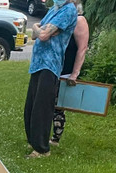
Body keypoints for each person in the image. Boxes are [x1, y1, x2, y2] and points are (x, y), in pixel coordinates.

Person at [23, 0, 78, 159]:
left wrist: (40, 29)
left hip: (51, 64)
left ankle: (41, 149)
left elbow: (44, 35)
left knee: (42, 107)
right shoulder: (54, 10)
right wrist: (37, 29)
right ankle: (33, 140)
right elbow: (35, 34)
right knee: (31, 105)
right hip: (38, 64)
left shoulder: (68, 11)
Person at [51, 1, 90, 146]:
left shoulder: (79, 20)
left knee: (58, 105)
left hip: (66, 70)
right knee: (48, 102)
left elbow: (82, 48)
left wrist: (75, 73)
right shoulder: (59, 17)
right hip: (53, 67)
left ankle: (55, 138)